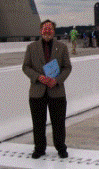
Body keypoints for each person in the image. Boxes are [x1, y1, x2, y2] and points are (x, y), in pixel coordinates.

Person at [22, 20, 72, 159]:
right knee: (38, 123)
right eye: (45, 29)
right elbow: (25, 67)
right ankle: (39, 148)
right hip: (37, 91)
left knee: (59, 122)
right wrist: (38, 77)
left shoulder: (61, 47)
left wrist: (57, 80)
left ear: (54, 32)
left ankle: (61, 148)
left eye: (50, 29)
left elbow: (67, 67)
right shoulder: (31, 47)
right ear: (40, 31)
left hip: (56, 91)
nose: (47, 31)